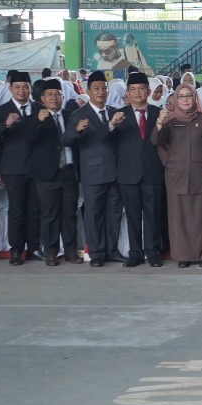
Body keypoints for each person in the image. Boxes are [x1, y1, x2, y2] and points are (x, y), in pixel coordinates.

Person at [63, 71, 124, 267]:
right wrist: (77, 130)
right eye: (96, 88)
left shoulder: (115, 111)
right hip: (92, 173)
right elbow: (66, 139)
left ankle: (112, 251)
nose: (101, 92)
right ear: (88, 91)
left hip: (115, 172)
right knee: (94, 214)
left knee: (114, 213)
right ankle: (96, 253)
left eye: (104, 88)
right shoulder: (78, 115)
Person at [156, 82, 202, 267]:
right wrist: (159, 123)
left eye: (188, 96)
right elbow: (156, 141)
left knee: (201, 217)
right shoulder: (169, 120)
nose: (185, 100)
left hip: (201, 174)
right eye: (181, 96)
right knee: (179, 219)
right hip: (176, 176)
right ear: (175, 99)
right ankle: (182, 256)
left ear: (194, 98)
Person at [0, 70, 39, 264]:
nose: (22, 91)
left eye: (25, 87)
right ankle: (16, 250)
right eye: (17, 87)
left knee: (34, 209)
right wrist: (5, 125)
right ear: (10, 89)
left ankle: (33, 248)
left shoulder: (39, 108)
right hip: (13, 168)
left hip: (36, 167)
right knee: (17, 210)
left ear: (30, 88)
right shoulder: (1, 111)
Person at [113, 72, 165, 267]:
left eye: (141, 89)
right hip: (128, 174)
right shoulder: (119, 115)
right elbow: (109, 142)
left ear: (148, 92)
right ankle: (135, 253)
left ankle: (153, 253)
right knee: (132, 215)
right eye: (133, 89)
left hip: (153, 171)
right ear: (127, 93)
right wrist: (111, 125)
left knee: (153, 215)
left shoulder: (159, 113)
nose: (137, 93)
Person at [27, 78, 80, 266]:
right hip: (47, 174)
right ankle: (51, 252)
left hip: (69, 171)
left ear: (62, 96)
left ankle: (71, 252)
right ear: (42, 98)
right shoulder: (35, 116)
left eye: (57, 94)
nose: (54, 98)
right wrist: (39, 121)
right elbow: (29, 139)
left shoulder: (70, 115)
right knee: (49, 215)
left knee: (70, 214)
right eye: (50, 95)